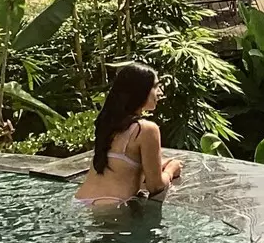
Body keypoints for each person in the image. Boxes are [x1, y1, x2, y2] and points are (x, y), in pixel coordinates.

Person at [75, 62, 184, 208]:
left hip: (79, 202)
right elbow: (156, 187)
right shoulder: (146, 129)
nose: (159, 92)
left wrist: (159, 166)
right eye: (155, 86)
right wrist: (171, 169)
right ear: (141, 91)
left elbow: (122, 171)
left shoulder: (108, 125)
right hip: (112, 209)